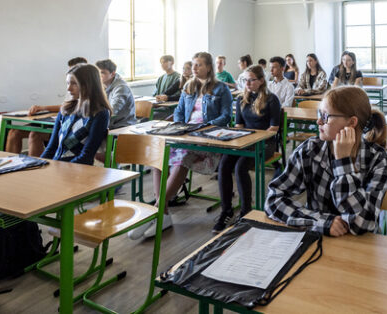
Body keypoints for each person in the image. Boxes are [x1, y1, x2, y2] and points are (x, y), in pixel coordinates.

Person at [0, 64, 112, 313]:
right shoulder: (66, 110)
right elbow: (51, 147)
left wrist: (52, 172)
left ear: (88, 84)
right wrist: (34, 166)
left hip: (72, 180)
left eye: (73, 83)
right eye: (67, 83)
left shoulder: (100, 114)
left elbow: (86, 158)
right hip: (49, 175)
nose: (68, 88)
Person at [129, 52, 232, 240]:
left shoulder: (221, 88)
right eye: (193, 64)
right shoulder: (188, 86)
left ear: (209, 67)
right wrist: (180, 125)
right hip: (185, 133)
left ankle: (155, 212)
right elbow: (178, 112)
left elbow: (226, 116)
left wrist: (203, 127)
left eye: (199, 65)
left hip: (206, 137)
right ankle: (165, 214)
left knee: (182, 159)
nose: (194, 68)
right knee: (157, 158)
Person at [265, 86, 387, 236]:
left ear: (351, 122)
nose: (318, 121)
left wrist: (343, 163)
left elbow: (362, 223)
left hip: (362, 247)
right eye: (319, 114)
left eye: (325, 116)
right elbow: (273, 200)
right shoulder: (309, 150)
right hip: (318, 237)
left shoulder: (378, 160)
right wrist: (321, 221)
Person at [215, 65, 281, 233]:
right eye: (245, 80)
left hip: (265, 142)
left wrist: (255, 139)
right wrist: (239, 138)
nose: (248, 83)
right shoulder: (241, 99)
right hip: (246, 140)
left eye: (252, 80)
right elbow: (239, 125)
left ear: (261, 81)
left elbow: (273, 128)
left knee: (240, 166)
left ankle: (246, 211)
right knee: (224, 165)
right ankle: (226, 210)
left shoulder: (271, 99)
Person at [4, 56, 88, 156]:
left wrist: (44, 108)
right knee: (13, 132)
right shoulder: (71, 87)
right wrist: (42, 108)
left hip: (70, 130)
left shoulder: (88, 92)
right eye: (70, 71)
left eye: (74, 71)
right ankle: (9, 166)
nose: (71, 74)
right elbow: (66, 106)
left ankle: (35, 167)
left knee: (34, 134)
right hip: (59, 123)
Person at [96, 59, 137, 129]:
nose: (99, 75)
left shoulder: (121, 87)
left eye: (102, 73)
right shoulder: (101, 85)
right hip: (109, 123)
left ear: (112, 74)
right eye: (98, 72)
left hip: (122, 126)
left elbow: (113, 110)